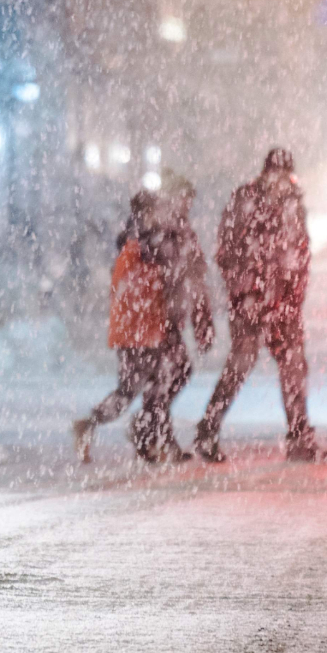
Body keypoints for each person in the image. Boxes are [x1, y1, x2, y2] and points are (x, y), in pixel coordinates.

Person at [195, 147, 326, 462]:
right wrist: (246, 291)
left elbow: (301, 252)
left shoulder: (294, 204)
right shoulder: (245, 200)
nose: (281, 182)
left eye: (285, 176)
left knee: (293, 366)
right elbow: (227, 250)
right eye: (276, 175)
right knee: (241, 364)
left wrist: (294, 295)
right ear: (266, 173)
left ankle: (299, 436)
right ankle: (208, 431)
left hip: (283, 302)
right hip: (250, 300)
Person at [75, 185, 213, 464]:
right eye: (152, 211)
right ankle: (151, 439)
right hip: (144, 329)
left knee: (147, 387)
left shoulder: (142, 240)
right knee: (152, 388)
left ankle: (119, 429)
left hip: (141, 328)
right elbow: (155, 283)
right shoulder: (142, 244)